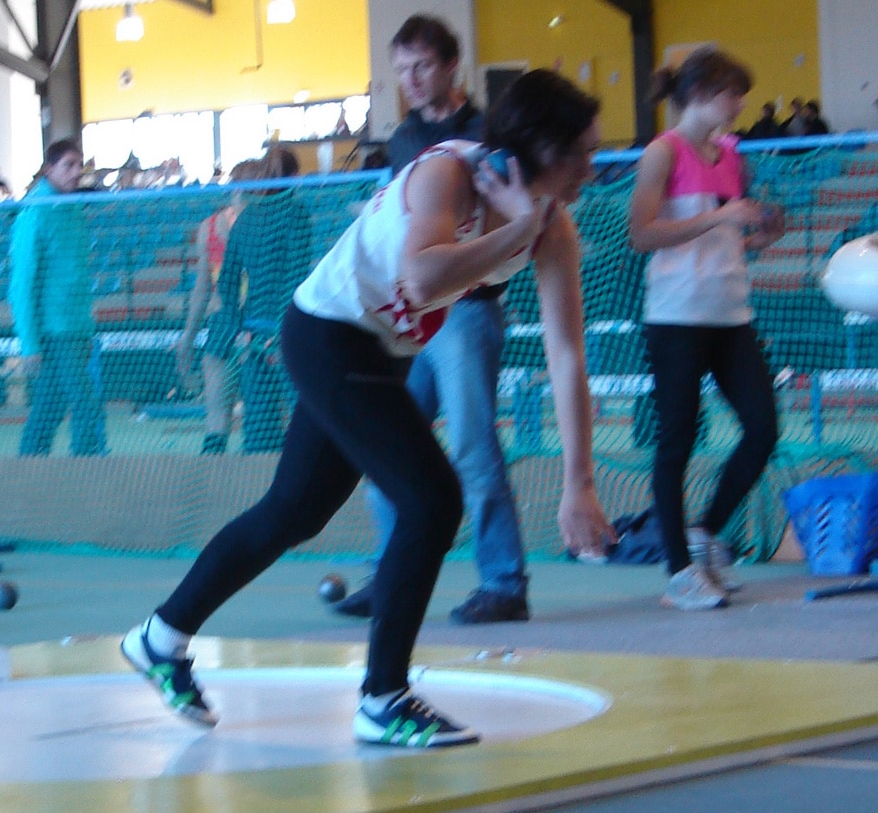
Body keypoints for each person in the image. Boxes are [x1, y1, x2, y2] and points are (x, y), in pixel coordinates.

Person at [120, 69, 614, 748]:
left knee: (294, 510)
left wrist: (579, 482)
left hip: (381, 352)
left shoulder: (554, 231)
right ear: (540, 148)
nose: (594, 163)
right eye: (582, 150)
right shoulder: (448, 175)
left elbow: (568, 356)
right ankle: (385, 697)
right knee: (433, 498)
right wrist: (521, 224)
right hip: (326, 332)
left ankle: (160, 636)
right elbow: (423, 275)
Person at [334, 13, 529, 625]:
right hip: (411, 320)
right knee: (387, 445)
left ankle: (503, 582)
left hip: (468, 314)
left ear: (451, 66)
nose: (410, 81)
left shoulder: (488, 134)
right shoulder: (402, 140)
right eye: (400, 71)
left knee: (473, 446)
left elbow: (502, 222)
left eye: (421, 67)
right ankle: (392, 575)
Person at [628, 48, 783, 611]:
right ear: (699, 94)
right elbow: (642, 234)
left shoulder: (731, 155)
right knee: (678, 441)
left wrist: (758, 235)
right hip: (675, 317)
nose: (740, 103)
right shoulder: (660, 154)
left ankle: (706, 533)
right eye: (732, 93)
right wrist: (720, 216)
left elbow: (726, 235)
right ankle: (678, 572)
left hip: (730, 314)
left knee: (763, 427)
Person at [8, 139, 106, 457]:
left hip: (77, 328)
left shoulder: (72, 208)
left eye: (80, 165)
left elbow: (74, 273)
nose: (77, 172)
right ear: (49, 169)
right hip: (54, 332)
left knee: (49, 406)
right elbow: (21, 284)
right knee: (85, 402)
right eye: (69, 165)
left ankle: (28, 467)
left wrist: (86, 327)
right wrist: (30, 344)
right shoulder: (34, 212)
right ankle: (88, 470)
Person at [214, 145, 312, 453]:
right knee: (304, 418)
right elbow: (296, 276)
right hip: (286, 331)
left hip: (252, 332)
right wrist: (285, 328)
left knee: (259, 427)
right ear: (295, 176)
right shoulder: (295, 214)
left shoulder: (245, 220)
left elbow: (226, 282)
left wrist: (236, 327)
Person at [176, 158, 263, 454]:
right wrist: (187, 338)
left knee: (260, 415)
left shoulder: (267, 225)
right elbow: (201, 288)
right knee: (216, 412)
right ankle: (211, 479)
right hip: (223, 323)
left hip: (259, 324)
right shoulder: (209, 228)